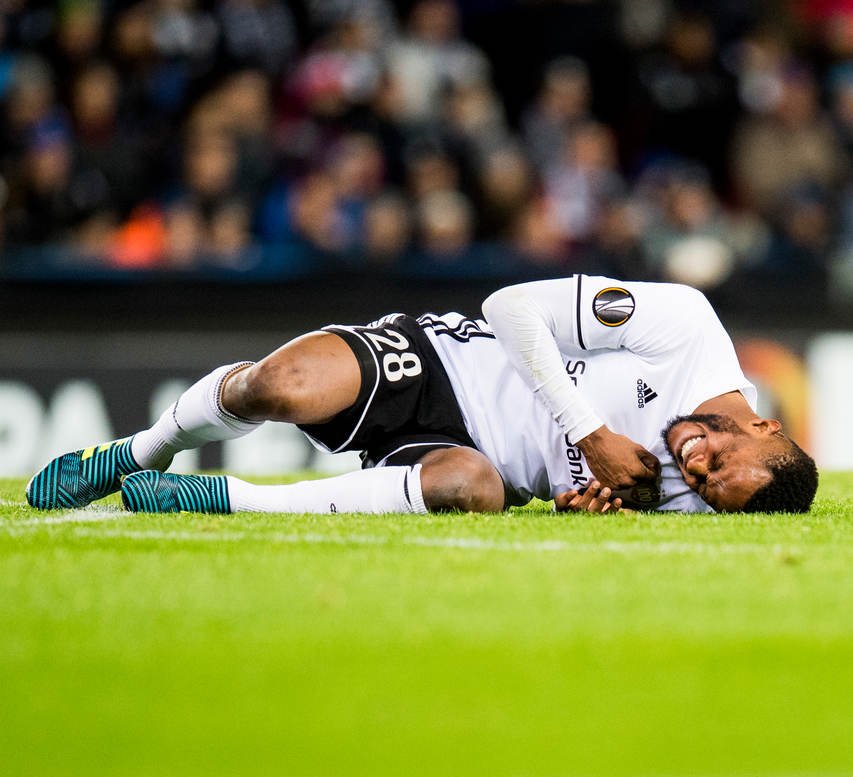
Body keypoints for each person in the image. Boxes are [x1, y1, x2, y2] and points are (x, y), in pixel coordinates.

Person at [26, 275, 818, 518]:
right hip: (439, 360)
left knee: (470, 490)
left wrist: (587, 507)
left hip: (475, 460)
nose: (699, 467)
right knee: (278, 385)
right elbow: (509, 308)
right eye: (724, 459)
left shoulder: (698, 501)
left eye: (710, 488)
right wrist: (588, 431)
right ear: (762, 421)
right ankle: (135, 451)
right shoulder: (683, 325)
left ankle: (213, 496)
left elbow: (600, 511)